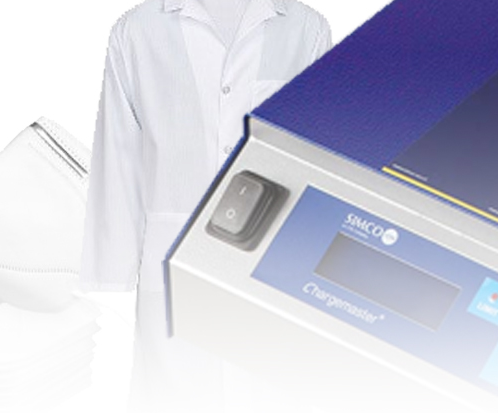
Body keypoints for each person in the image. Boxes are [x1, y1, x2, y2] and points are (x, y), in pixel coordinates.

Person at [81, 0, 332, 410]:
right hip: (172, 262)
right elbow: (118, 153)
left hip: (271, 263)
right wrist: (111, 268)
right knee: (173, 391)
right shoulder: (137, 32)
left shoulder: (305, 31)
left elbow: (318, 161)